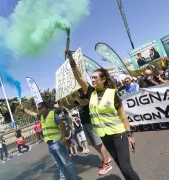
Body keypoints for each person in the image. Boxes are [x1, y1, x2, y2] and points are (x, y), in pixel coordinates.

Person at [67, 50, 140, 180]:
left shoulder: (112, 93)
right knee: (120, 165)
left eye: (95, 77)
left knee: (126, 167)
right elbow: (78, 77)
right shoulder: (90, 92)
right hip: (105, 137)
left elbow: (123, 117)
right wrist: (71, 61)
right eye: (92, 77)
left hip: (119, 134)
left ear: (103, 79)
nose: (92, 79)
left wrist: (130, 135)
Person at [20, 102, 80, 180]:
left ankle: (75, 177)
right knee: (58, 163)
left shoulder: (53, 113)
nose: (38, 110)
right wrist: (24, 109)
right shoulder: (41, 116)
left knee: (66, 161)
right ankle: (63, 177)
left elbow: (61, 124)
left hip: (57, 141)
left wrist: (63, 137)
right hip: (50, 143)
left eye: (39, 108)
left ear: (45, 107)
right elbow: (33, 114)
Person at [71, 89, 113, 175]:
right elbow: (71, 106)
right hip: (85, 123)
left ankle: (106, 164)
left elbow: (84, 103)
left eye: (80, 89)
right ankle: (106, 158)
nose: (79, 91)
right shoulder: (78, 98)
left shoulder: (89, 95)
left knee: (98, 143)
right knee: (94, 144)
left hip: (92, 122)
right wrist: (61, 107)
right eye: (78, 90)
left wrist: (76, 97)